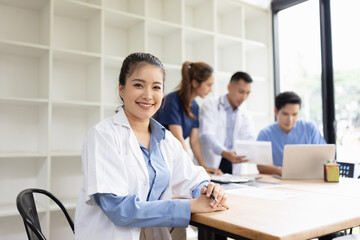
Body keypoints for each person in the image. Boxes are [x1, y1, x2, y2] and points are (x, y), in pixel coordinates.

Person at [75, 52, 228, 240]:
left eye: (156, 87)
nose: (148, 95)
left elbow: (192, 178)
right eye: (138, 85)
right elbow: (119, 210)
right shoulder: (102, 136)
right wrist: (191, 206)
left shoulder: (165, 139)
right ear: (121, 89)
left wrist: (208, 190)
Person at [154, 61, 222, 175]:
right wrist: (192, 169)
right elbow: (178, 138)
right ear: (195, 83)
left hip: (173, 157)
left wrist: (204, 167)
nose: (210, 90)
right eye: (209, 85)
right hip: (159, 158)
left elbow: (194, 141)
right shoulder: (172, 101)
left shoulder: (194, 106)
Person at [256, 91, 327, 176]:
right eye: (285, 114)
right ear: (276, 111)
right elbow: (261, 166)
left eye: (294, 114)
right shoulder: (265, 134)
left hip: (308, 179)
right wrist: (284, 171)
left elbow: (324, 157)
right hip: (278, 181)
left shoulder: (310, 128)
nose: (290, 120)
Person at [199, 71, 256, 175]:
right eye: (241, 91)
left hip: (233, 164)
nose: (244, 97)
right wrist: (224, 153)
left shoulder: (245, 113)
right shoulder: (210, 105)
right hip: (212, 162)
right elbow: (207, 135)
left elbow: (249, 137)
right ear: (229, 87)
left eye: (247, 93)